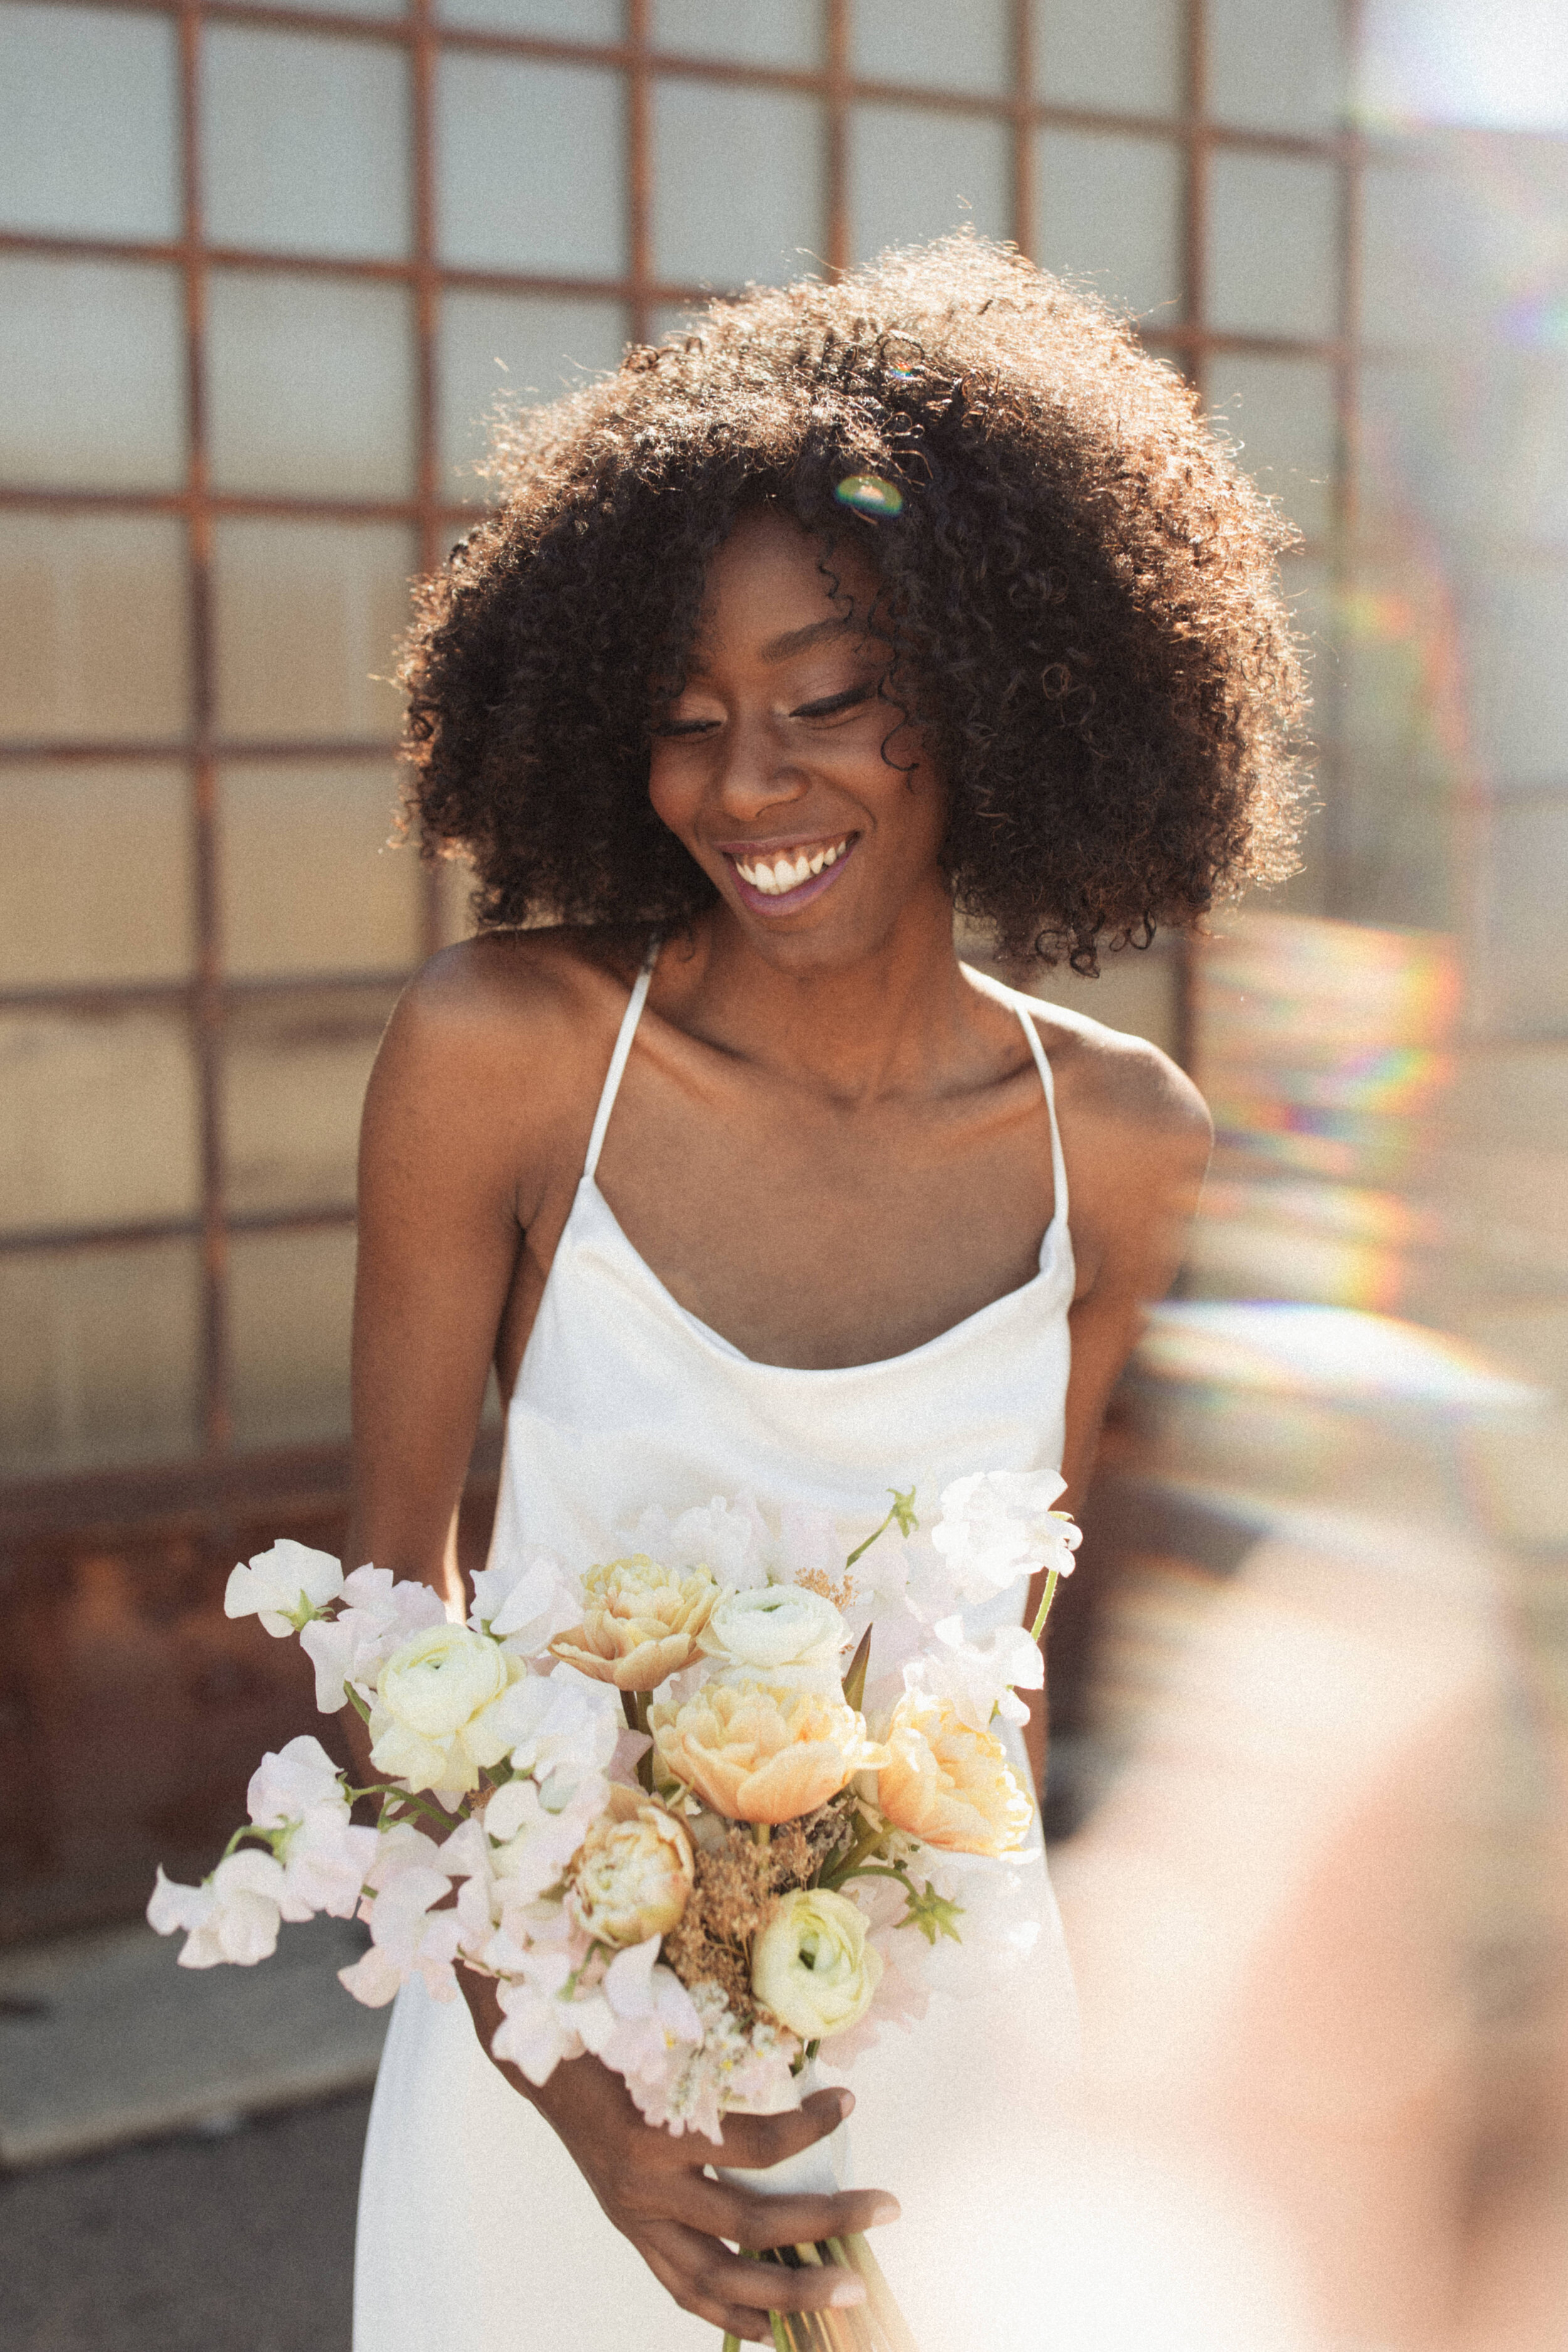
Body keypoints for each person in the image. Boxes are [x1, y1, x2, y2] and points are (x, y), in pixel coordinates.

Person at [346, 233, 1303, 2351]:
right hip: (546, 2079)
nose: (747, 785)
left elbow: (1004, 1677)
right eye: (684, 724)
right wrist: (586, 2109)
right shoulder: (507, 1053)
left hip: (948, 2068)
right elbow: (384, 1628)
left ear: (997, 686)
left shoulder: (1117, 1147)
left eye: (828, 700)